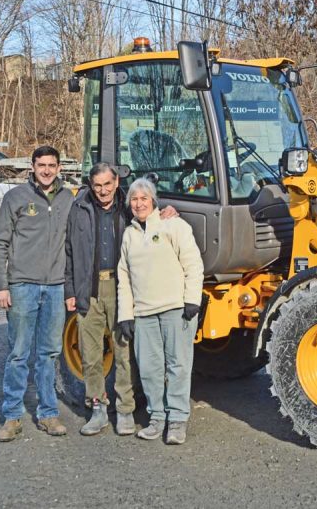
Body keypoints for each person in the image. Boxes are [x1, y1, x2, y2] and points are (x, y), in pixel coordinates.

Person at [64, 163, 178, 436]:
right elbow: (69, 251)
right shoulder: (79, 210)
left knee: (124, 352)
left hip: (121, 289)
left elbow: (152, 220)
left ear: (116, 183)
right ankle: (98, 409)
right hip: (88, 290)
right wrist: (70, 290)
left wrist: (169, 212)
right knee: (91, 356)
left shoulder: (128, 209)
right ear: (91, 186)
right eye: (97, 185)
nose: (102, 190)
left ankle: (125, 410)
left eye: (107, 184)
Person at [0, 146, 73, 442]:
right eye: (42, 165)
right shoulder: (16, 198)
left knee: (49, 354)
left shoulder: (69, 198)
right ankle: (12, 416)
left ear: (59, 167)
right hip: (22, 285)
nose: (47, 170)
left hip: (55, 287)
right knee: (18, 353)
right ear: (32, 167)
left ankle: (48, 414)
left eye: (52, 165)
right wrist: (1, 285)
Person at [116, 178, 204, 444]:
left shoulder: (173, 225)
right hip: (144, 313)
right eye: (134, 199)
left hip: (176, 309)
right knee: (150, 368)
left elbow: (193, 263)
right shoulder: (129, 235)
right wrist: (126, 315)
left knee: (178, 365)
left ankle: (177, 420)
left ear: (153, 201)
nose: (139, 203)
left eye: (144, 198)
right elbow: (124, 277)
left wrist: (192, 300)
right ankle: (156, 419)